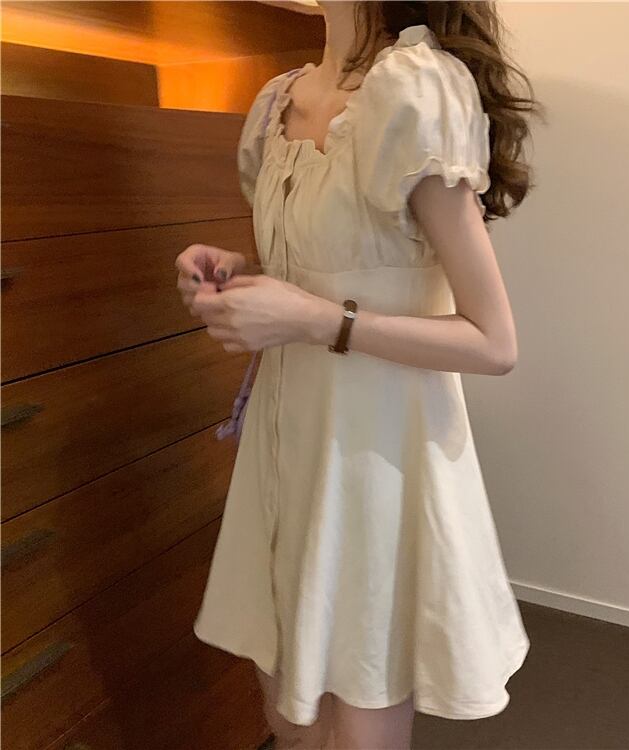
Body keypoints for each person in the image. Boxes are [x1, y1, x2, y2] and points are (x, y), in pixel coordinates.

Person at [175, 2, 542, 748]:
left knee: (356, 722)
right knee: (288, 717)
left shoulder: (412, 90)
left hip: (377, 458)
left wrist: (315, 319)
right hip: (287, 446)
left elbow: (493, 341)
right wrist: (243, 278)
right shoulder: (277, 102)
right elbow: (331, 265)